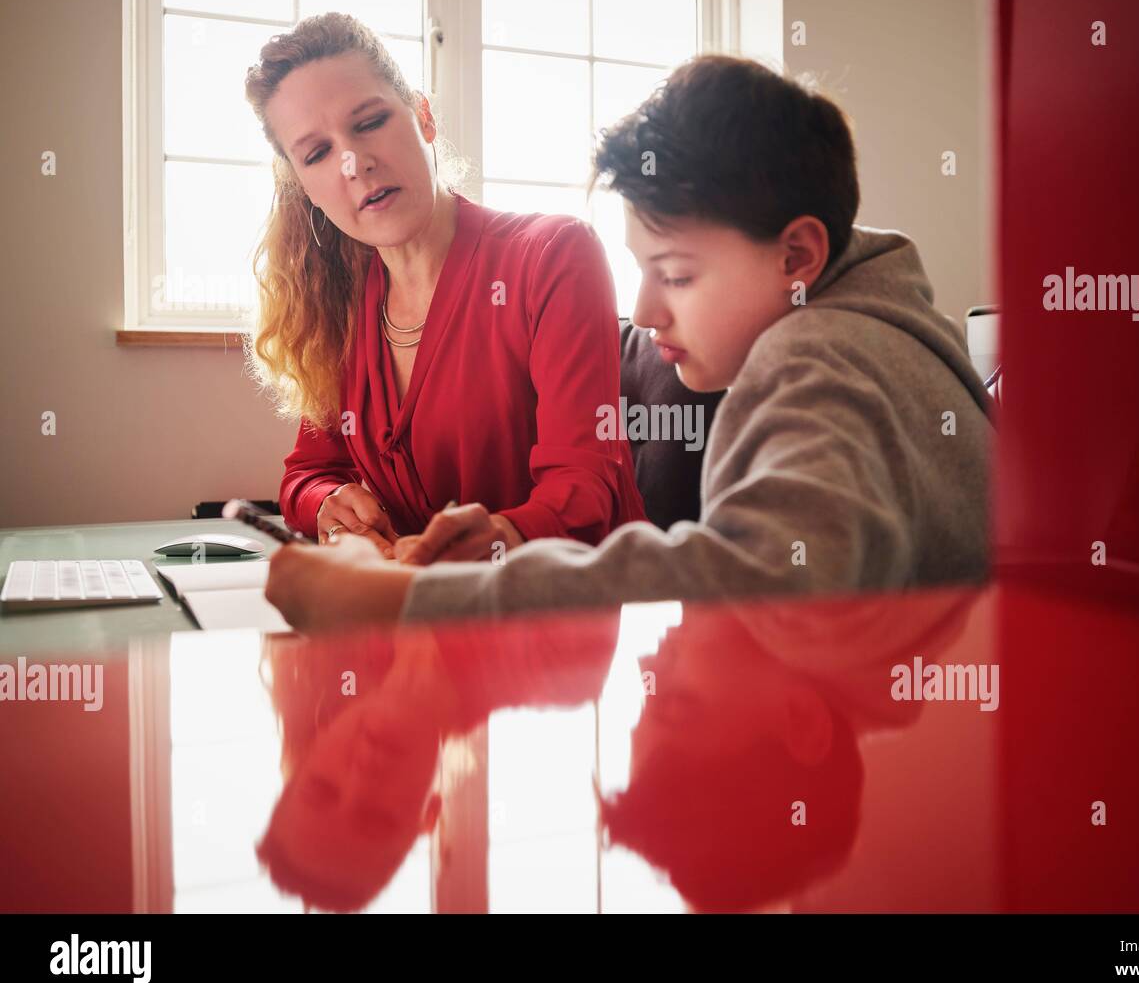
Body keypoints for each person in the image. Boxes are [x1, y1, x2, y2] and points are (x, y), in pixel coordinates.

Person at [264, 54, 993, 632]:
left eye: (673, 274)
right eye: (318, 152)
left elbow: (767, 575)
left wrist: (414, 601)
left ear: (798, 257)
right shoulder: (878, 322)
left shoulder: (818, 364)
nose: (641, 312)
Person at [243, 12, 645, 562]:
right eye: (317, 154)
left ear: (424, 116)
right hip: (420, 625)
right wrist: (329, 502)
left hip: (574, 610)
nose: (355, 163)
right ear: (305, 186)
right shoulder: (342, 303)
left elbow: (583, 491)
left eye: (369, 122)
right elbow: (308, 472)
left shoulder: (553, 254)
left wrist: (496, 539)